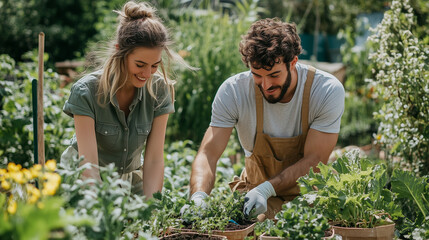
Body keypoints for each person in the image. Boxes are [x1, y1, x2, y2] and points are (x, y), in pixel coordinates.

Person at [186, 18, 345, 220]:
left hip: (309, 198)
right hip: (255, 197)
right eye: (257, 75)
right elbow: (208, 154)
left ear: (294, 62)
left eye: (274, 75)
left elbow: (314, 160)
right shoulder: (234, 91)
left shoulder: (325, 90)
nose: (266, 85)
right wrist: (199, 196)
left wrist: (266, 189)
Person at [61, 1, 190, 198]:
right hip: (82, 177)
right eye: (140, 64)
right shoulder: (86, 91)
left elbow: (154, 159)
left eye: (155, 65)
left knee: (146, 220)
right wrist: (102, 210)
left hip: (127, 179)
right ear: (119, 51)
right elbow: (88, 164)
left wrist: (151, 207)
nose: (147, 73)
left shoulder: (159, 89)